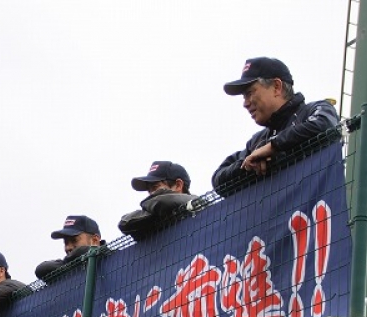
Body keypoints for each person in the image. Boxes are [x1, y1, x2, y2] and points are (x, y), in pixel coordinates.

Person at [212, 57, 339, 195]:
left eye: (249, 93)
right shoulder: (257, 141)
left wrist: (273, 146)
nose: (245, 103)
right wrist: (248, 165)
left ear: (277, 87)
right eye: (244, 97)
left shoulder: (314, 110)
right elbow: (218, 180)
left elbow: (325, 125)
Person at [119, 161, 199, 239]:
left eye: (155, 187)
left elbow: (162, 202)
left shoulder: (198, 206)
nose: (151, 194)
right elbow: (124, 223)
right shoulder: (157, 224)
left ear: (178, 185)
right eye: (149, 190)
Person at [35, 216, 105, 280]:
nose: (68, 247)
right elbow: (42, 269)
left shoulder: (109, 261)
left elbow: (85, 251)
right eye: (66, 243)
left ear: (95, 240)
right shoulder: (68, 276)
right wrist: (68, 263)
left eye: (74, 240)